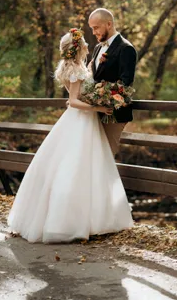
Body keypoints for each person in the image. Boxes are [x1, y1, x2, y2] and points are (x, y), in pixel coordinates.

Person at [7, 28, 133, 243]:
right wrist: (100, 109)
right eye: (84, 43)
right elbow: (73, 101)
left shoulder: (80, 66)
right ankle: (70, 222)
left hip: (83, 121)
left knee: (85, 167)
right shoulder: (74, 69)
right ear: (77, 48)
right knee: (77, 168)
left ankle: (93, 219)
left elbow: (83, 90)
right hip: (81, 120)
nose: (87, 45)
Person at [88, 8, 137, 156]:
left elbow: (125, 84)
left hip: (114, 114)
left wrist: (99, 97)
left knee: (106, 157)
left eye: (96, 28)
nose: (93, 32)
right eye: (92, 28)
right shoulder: (97, 48)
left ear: (109, 24)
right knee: (94, 157)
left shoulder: (126, 48)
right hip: (96, 113)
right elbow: (95, 77)